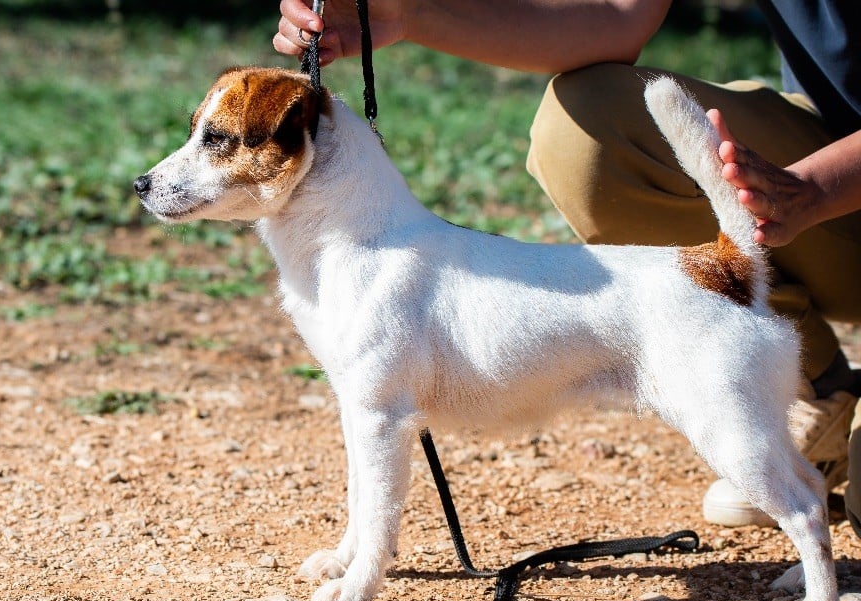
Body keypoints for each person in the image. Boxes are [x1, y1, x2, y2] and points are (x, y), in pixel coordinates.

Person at [274, 0, 861, 530]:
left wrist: (818, 189)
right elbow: (615, 11)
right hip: (827, 134)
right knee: (587, 118)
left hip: (838, 181)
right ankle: (804, 381)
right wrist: (408, 15)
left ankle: (757, 386)